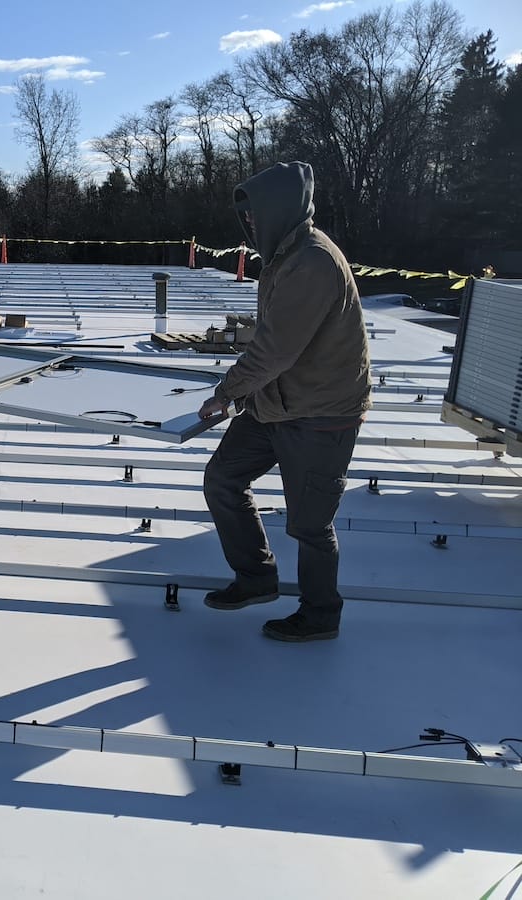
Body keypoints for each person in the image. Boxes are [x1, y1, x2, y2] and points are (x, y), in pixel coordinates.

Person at [197, 161, 371, 642]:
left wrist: (226, 393)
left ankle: (320, 615)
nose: (250, 224)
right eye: (246, 216)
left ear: (280, 211)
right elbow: (275, 344)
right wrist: (245, 390)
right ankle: (256, 578)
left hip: (321, 412)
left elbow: (276, 348)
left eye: (256, 214)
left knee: (310, 524)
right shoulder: (284, 255)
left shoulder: (312, 262)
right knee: (223, 478)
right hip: (277, 401)